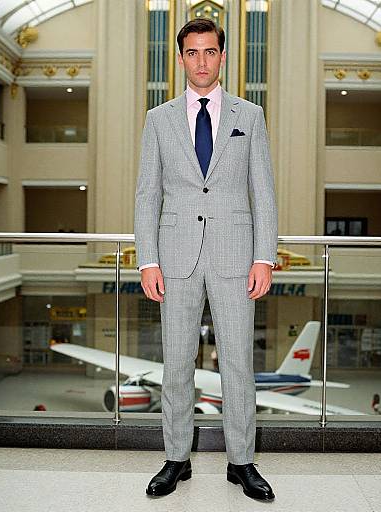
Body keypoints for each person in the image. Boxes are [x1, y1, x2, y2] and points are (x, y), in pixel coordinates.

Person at [134, 19, 277, 501]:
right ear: (180, 59)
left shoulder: (250, 115)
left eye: (209, 52)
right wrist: (146, 260)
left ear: (222, 56)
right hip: (174, 259)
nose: (201, 61)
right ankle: (176, 459)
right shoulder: (158, 119)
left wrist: (265, 257)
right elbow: (146, 195)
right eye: (192, 53)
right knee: (176, 365)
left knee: (238, 364)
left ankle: (243, 463)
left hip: (237, 257)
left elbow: (264, 192)